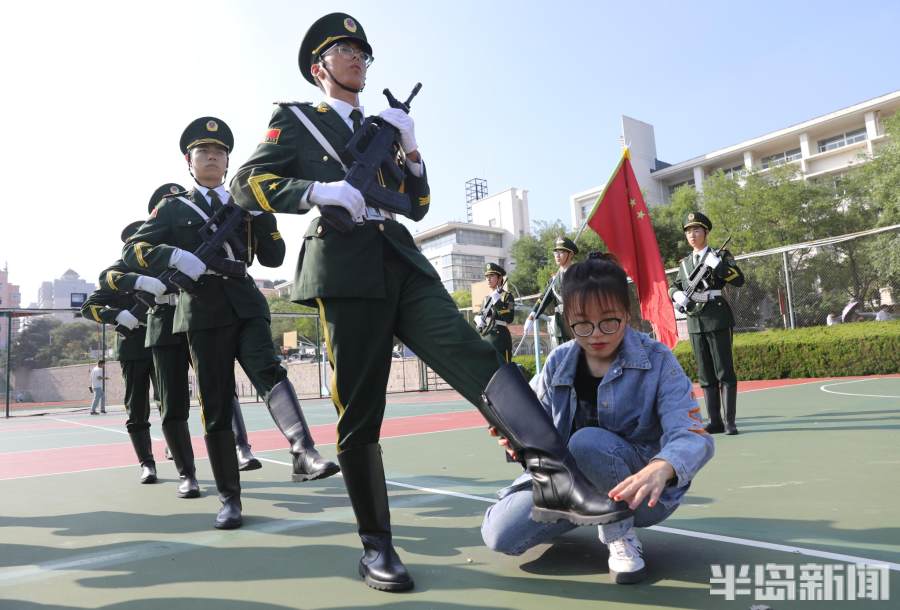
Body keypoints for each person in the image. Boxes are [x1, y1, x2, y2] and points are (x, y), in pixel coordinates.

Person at [231, 12, 630, 592]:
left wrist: (411, 149)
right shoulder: (294, 120)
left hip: (400, 259)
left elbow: (415, 205)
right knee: (360, 409)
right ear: (319, 68)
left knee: (475, 356)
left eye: (363, 52)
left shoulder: (379, 128)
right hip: (344, 268)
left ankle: (554, 474)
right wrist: (316, 190)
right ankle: (377, 546)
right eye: (345, 50)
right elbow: (248, 183)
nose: (357, 59)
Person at [122, 117, 338, 529]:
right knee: (216, 403)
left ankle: (303, 449)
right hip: (201, 310)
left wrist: (262, 216)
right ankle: (229, 497)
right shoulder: (172, 208)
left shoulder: (242, 198)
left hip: (245, 299)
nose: (213, 157)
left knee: (269, 370)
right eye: (204, 151)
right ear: (189, 162)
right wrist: (173, 257)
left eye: (220, 152)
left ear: (227, 161)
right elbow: (136, 250)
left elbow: (273, 258)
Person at [482, 253, 715, 584]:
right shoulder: (559, 362)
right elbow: (534, 424)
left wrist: (662, 467)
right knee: (499, 535)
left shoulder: (658, 361)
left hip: (643, 492)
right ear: (568, 321)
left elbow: (693, 435)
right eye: (582, 323)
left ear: (626, 313)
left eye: (609, 320)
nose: (595, 334)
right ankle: (576, 516)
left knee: (588, 442)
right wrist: (514, 437)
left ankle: (618, 536)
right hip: (569, 484)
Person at [82, 221, 164, 483]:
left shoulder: (165, 268)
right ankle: (147, 462)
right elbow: (88, 307)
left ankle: (175, 448)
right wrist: (117, 314)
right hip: (134, 350)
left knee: (171, 402)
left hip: (166, 345)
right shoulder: (117, 275)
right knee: (137, 408)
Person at [669, 212, 744, 435]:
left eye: (696, 230)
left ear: (706, 232)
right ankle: (714, 421)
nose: (692, 235)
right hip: (695, 320)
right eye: (688, 231)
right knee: (705, 374)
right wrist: (676, 295)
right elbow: (673, 284)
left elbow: (739, 280)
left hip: (716, 317)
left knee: (724, 371)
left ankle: (729, 421)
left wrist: (719, 266)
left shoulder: (719, 255)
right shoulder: (685, 263)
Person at [527, 236, 579, 349]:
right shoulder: (554, 280)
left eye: (561, 252)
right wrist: (532, 315)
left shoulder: (579, 274)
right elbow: (543, 298)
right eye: (555, 252)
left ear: (570, 254)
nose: (557, 255)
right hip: (560, 326)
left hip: (577, 323)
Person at [476, 263, 515, 362]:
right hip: (486, 339)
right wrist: (477, 319)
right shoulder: (486, 299)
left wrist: (498, 302)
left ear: (500, 278)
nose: (488, 279)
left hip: (501, 340)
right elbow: (480, 315)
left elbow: (510, 317)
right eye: (487, 277)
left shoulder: (508, 296)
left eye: (492, 276)